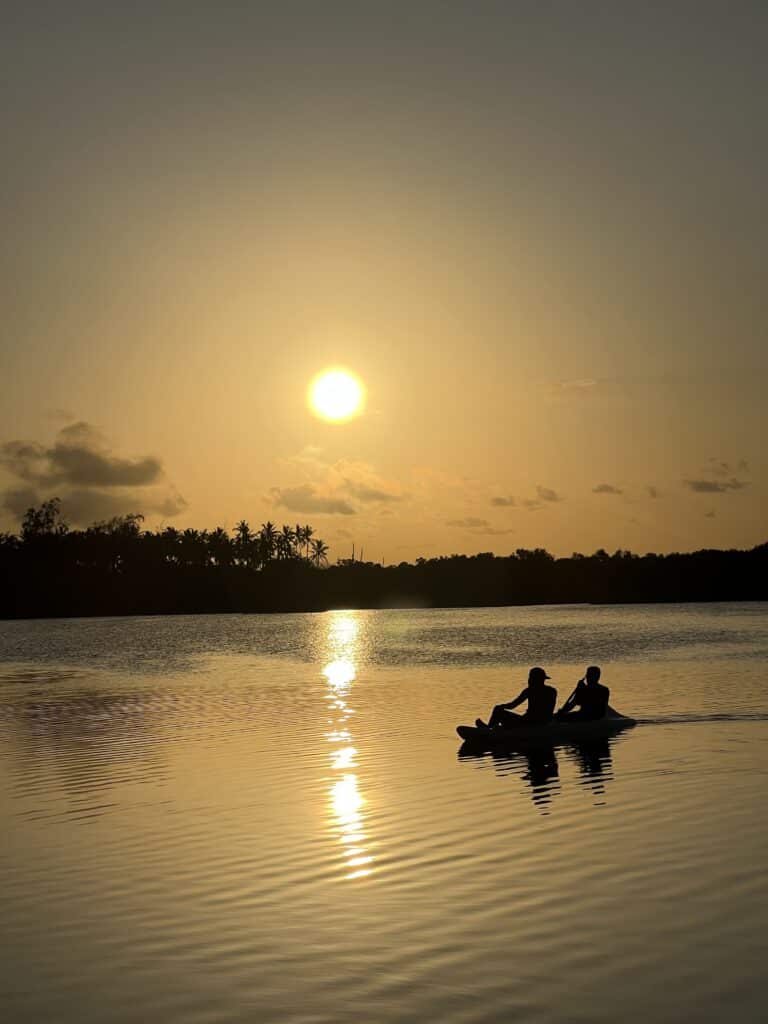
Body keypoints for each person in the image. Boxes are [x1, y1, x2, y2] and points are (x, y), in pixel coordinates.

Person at [476, 667, 557, 729]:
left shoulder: (529, 691)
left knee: (498, 709)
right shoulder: (552, 691)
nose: (529, 680)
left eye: (530, 678)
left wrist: (500, 706)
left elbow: (512, 706)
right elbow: (549, 710)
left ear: (534, 679)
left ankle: (490, 729)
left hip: (529, 722)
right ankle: (494, 728)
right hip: (541, 721)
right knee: (501, 710)